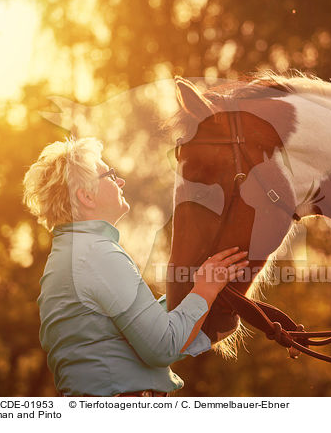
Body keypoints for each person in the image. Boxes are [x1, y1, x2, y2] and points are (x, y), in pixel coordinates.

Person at [22, 136, 248, 397]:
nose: (121, 181)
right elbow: (163, 346)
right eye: (109, 175)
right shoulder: (98, 255)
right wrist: (205, 291)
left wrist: (200, 298)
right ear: (86, 197)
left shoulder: (73, 255)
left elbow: (135, 332)